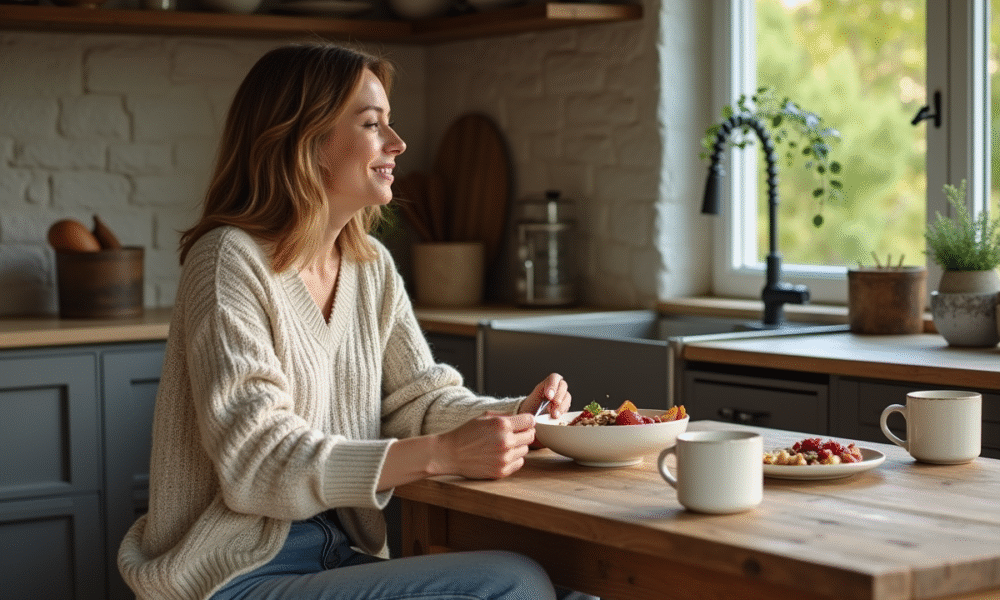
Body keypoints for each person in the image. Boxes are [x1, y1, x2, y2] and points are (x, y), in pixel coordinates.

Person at [117, 42, 583, 600]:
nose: (397, 143)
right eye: (372, 124)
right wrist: (443, 455)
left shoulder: (370, 267)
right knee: (518, 584)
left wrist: (515, 418)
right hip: (230, 575)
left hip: (337, 558)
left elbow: (418, 402)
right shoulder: (227, 261)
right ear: (305, 141)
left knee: (574, 586)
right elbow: (256, 460)